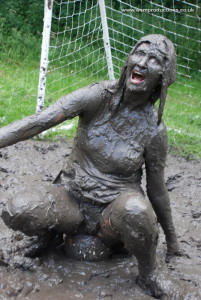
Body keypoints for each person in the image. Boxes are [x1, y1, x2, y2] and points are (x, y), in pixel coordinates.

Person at [0, 34, 182, 298]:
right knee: (19, 208)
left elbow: (157, 190)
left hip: (113, 213)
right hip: (72, 199)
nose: (142, 63)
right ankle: (50, 235)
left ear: (163, 76)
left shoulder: (154, 130)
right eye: (139, 53)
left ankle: (149, 275)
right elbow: (39, 121)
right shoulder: (97, 95)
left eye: (154, 60)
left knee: (136, 210)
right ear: (128, 60)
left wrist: (173, 241)